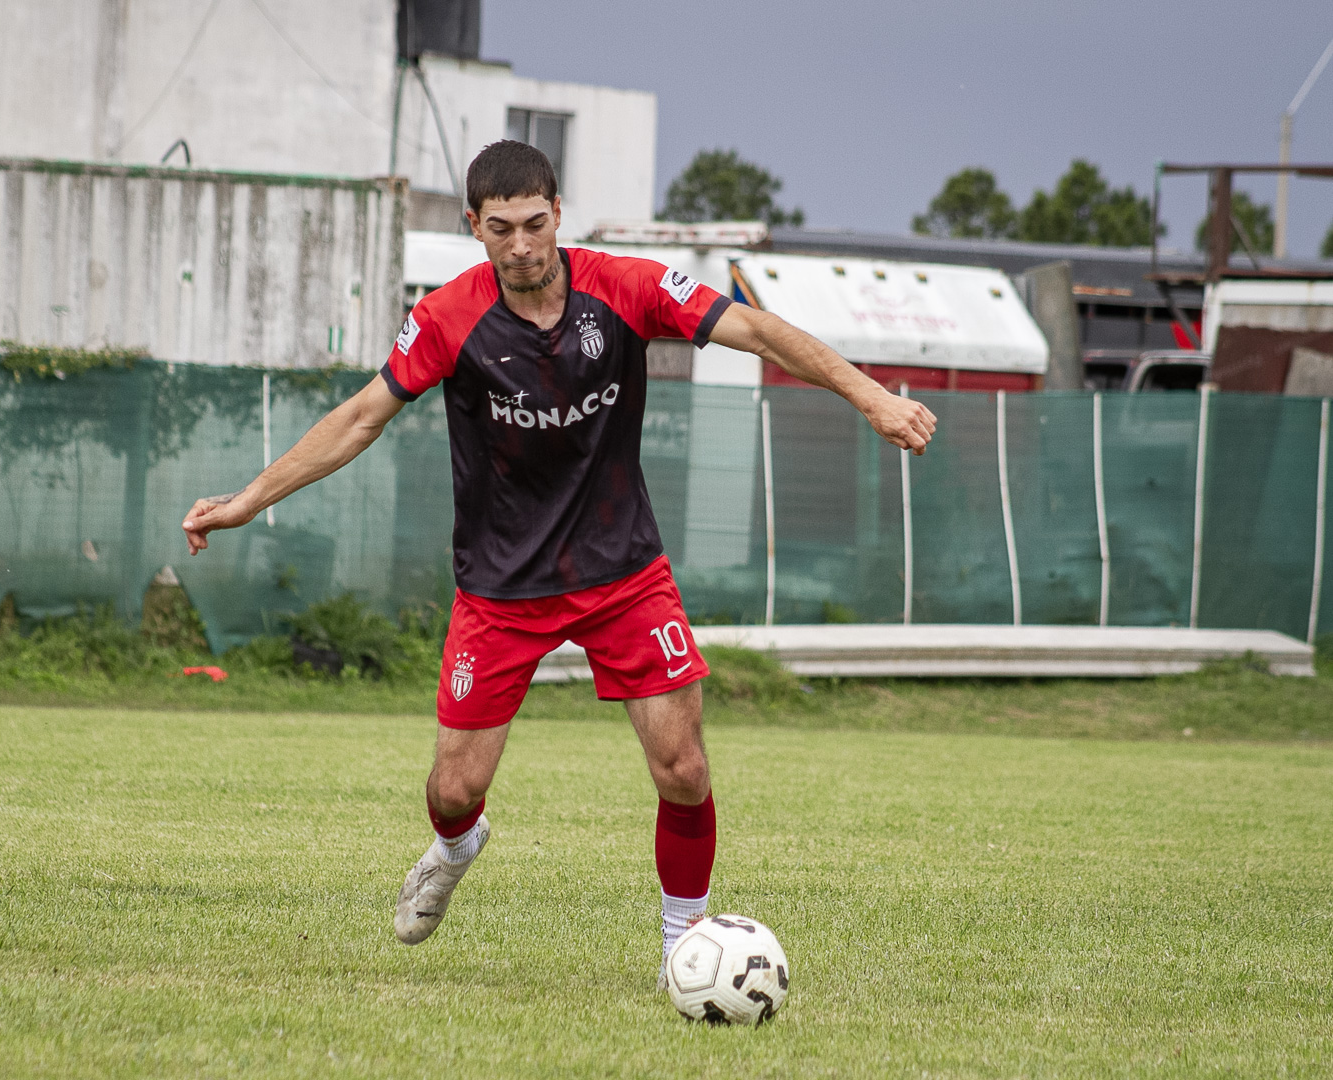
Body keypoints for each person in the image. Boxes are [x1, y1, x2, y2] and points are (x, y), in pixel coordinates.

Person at [180, 141, 935, 980]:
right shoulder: (448, 318)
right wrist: (248, 500)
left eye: (535, 224)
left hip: (624, 573)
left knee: (684, 767)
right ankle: (455, 847)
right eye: (501, 228)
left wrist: (871, 396)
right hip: (501, 588)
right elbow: (362, 418)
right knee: (453, 790)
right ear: (474, 226)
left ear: (558, 215)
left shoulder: (626, 287)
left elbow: (755, 329)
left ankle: (682, 945)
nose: (522, 245)